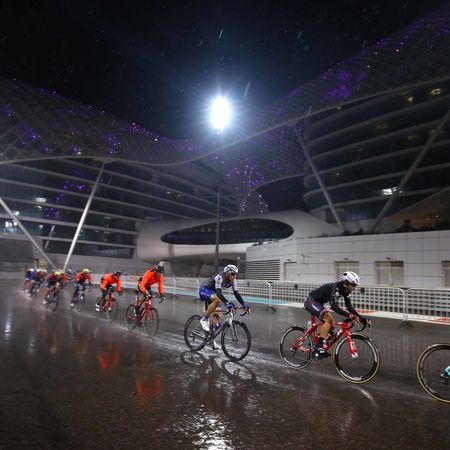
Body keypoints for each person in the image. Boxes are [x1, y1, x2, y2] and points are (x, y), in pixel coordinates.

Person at [304, 271, 364, 359]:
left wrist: (362, 318)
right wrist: (349, 315)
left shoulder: (346, 291)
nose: (354, 288)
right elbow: (333, 306)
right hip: (311, 301)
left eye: (355, 286)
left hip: (318, 303)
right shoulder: (335, 288)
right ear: (346, 283)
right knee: (329, 319)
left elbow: (349, 307)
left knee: (332, 325)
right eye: (353, 285)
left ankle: (317, 339)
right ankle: (317, 347)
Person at [199, 265, 250, 349]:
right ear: (227, 273)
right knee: (217, 300)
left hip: (213, 294)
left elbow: (236, 293)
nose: (234, 276)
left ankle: (210, 338)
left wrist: (244, 304)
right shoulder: (220, 277)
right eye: (232, 274)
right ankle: (204, 319)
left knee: (217, 317)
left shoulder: (233, 280)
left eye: (235, 274)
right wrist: (227, 303)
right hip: (204, 290)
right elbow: (219, 293)